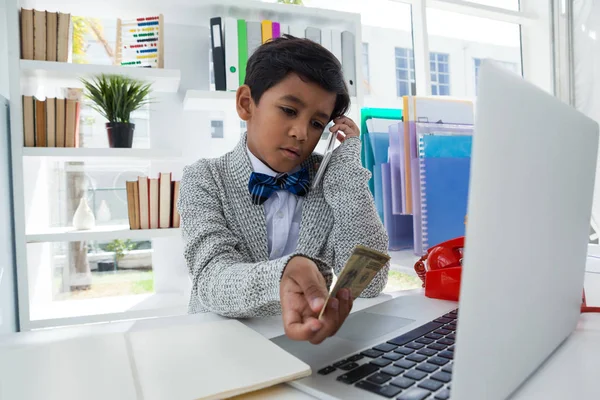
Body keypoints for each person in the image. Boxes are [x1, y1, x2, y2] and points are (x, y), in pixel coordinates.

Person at [178, 35, 389, 344]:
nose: (301, 133)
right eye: (289, 111)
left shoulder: (331, 179)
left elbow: (369, 282)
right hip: (220, 342)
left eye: (317, 124)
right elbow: (211, 279)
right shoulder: (204, 178)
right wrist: (282, 275)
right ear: (246, 103)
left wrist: (345, 174)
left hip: (308, 341)